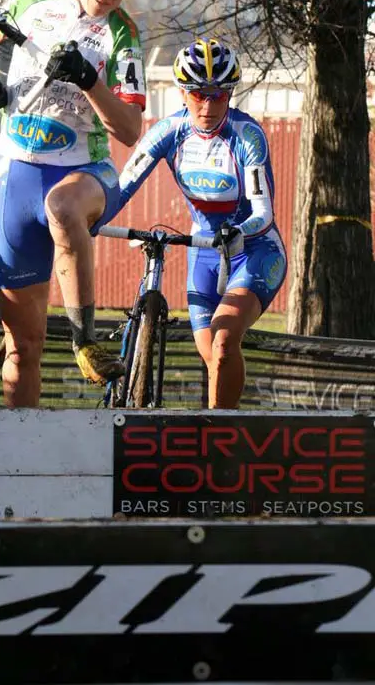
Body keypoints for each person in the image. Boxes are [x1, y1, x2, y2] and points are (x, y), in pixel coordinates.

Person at [0, 0, 154, 406]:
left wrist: (90, 80)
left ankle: (85, 338)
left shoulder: (122, 35)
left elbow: (128, 131)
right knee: (22, 349)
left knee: (63, 209)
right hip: (18, 174)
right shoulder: (29, 4)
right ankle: (19, 465)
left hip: (86, 173)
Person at [118, 38, 287, 409]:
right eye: (198, 95)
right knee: (213, 355)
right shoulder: (168, 131)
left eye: (218, 96)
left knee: (225, 341)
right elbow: (122, 187)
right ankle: (226, 429)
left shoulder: (247, 135)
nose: (208, 106)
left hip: (254, 250)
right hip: (204, 252)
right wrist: (89, 221)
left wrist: (240, 231)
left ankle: (219, 438)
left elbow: (264, 212)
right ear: (182, 92)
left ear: (229, 94)